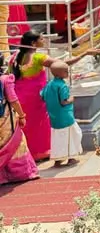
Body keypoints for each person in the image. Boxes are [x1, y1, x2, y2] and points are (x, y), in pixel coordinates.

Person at [11, 31, 53, 162]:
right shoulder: (38, 58)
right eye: (41, 38)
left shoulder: (14, 57)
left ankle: (27, 155)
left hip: (19, 99)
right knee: (40, 126)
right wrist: (84, 54)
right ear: (33, 43)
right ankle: (42, 153)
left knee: (25, 127)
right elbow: (61, 64)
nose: (44, 39)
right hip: (36, 100)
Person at [0, 62, 36, 184]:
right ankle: (19, 173)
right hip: (6, 117)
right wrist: (22, 115)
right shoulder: (5, 79)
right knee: (16, 144)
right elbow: (13, 99)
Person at [43, 61, 81, 167]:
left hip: (54, 117)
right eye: (66, 71)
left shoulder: (49, 84)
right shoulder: (62, 85)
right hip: (65, 117)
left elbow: (42, 95)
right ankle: (71, 158)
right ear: (60, 74)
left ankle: (58, 160)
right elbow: (63, 101)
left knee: (57, 138)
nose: (68, 73)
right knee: (73, 135)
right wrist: (71, 99)